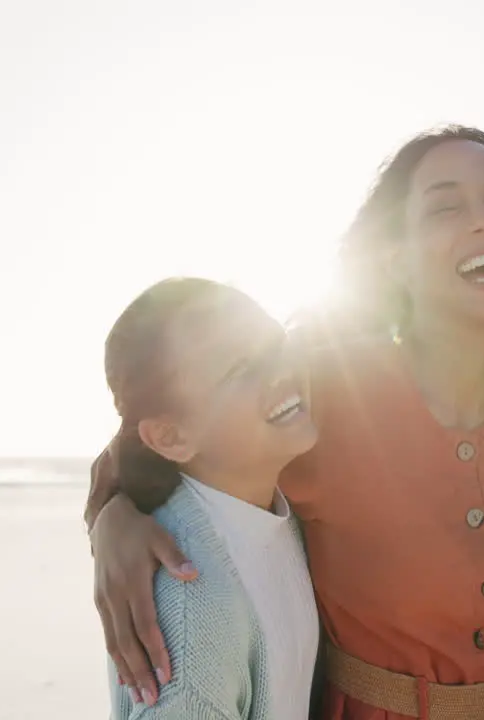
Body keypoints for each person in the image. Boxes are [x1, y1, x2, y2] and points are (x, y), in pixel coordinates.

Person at [86, 126, 484, 720]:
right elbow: (169, 430)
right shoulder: (319, 386)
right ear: (393, 256)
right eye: (446, 207)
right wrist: (113, 518)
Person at [99, 277, 320, 719]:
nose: (280, 370)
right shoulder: (192, 610)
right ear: (171, 437)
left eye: (275, 343)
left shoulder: (263, 508)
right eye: (239, 369)